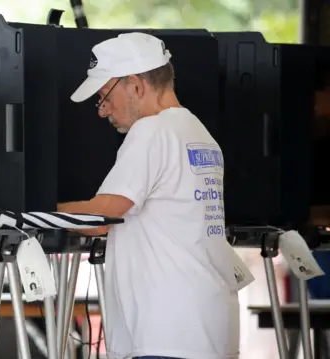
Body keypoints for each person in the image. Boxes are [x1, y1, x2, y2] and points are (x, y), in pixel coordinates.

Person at [57, 33, 239, 359]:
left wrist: (35, 211)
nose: (102, 111)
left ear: (136, 85)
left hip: (168, 333)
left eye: (105, 96)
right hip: (206, 325)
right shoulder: (198, 132)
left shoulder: (151, 131)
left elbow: (102, 216)